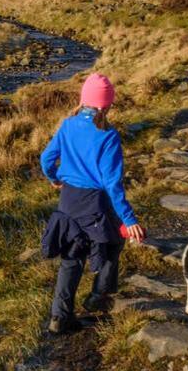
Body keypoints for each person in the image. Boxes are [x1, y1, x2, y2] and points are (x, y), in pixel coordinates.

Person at [40, 72, 145, 334]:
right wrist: (129, 219)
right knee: (113, 242)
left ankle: (59, 318)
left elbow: (46, 159)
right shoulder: (108, 135)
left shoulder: (67, 125)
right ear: (107, 105)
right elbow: (112, 184)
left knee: (71, 259)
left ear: (84, 99)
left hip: (68, 201)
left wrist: (54, 179)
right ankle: (99, 296)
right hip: (95, 204)